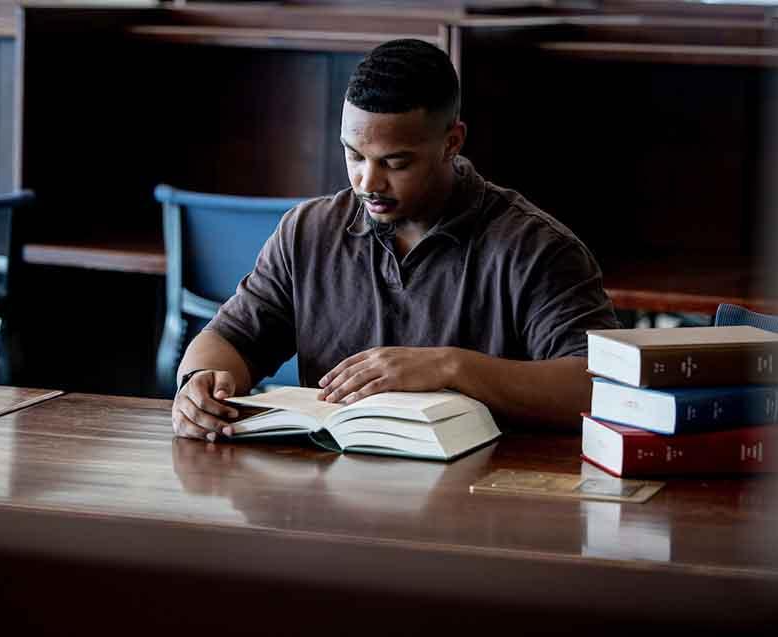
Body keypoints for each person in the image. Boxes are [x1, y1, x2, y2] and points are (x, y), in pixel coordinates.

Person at [172, 38, 619, 441]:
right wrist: (201, 382)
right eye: (354, 154)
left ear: (452, 142)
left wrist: (450, 367)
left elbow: (597, 386)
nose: (368, 181)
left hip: (480, 502)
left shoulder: (536, 248)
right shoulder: (307, 232)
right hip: (330, 496)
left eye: (395, 163)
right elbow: (230, 339)